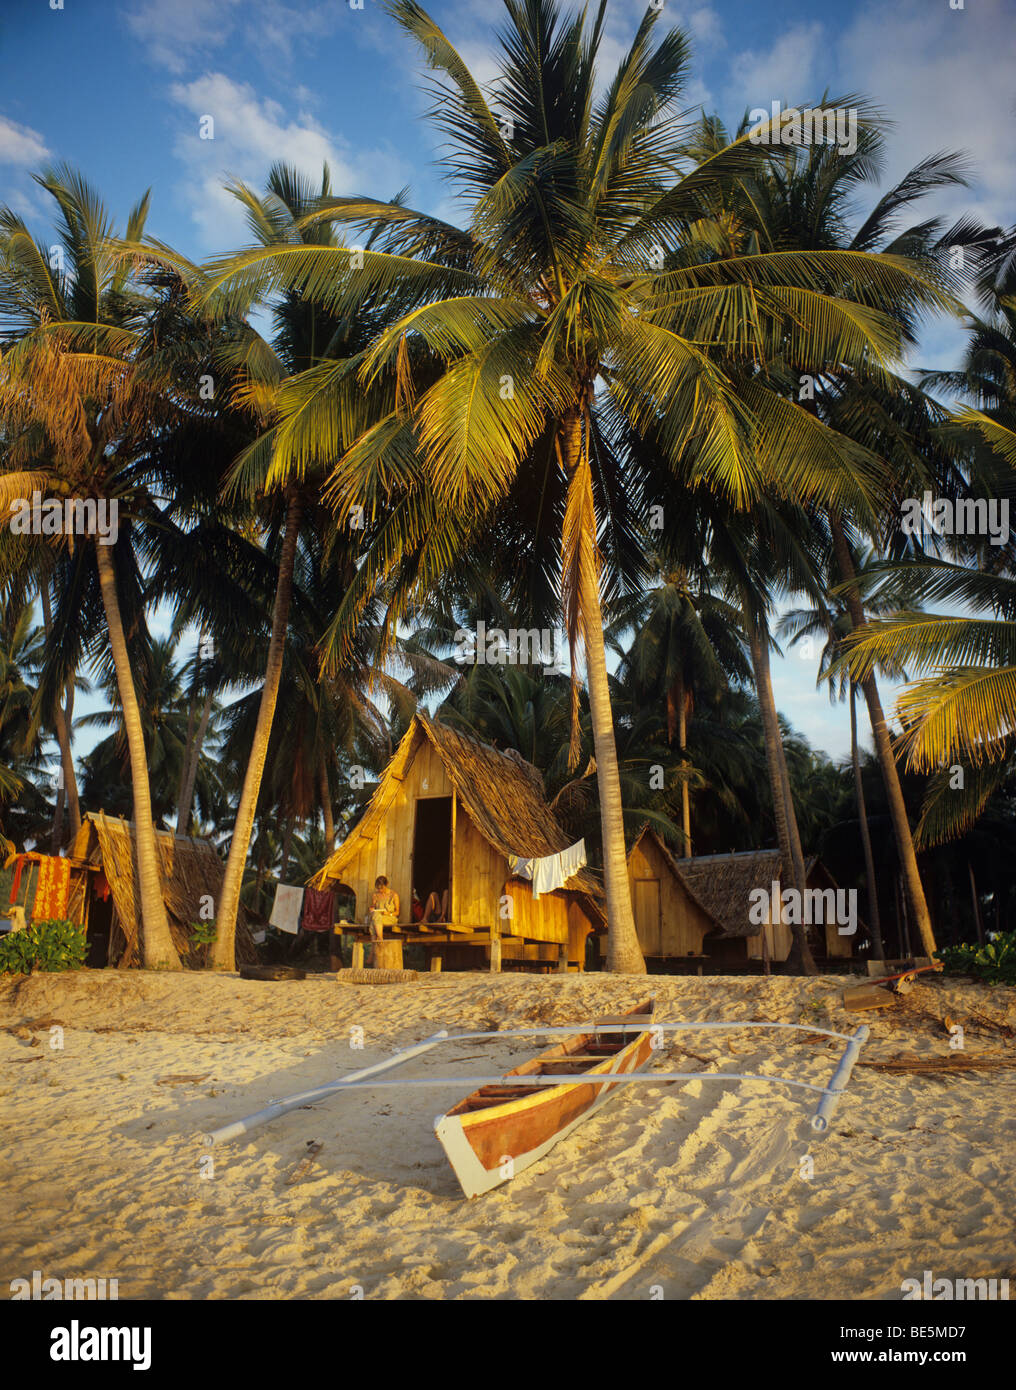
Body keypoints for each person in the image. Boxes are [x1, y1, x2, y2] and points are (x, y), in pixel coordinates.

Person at [365, 876, 399, 963]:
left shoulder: (393, 895)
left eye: (382, 888)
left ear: (386, 884)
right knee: (376, 917)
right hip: (378, 920)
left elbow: (397, 912)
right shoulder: (375, 895)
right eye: (378, 888)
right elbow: (373, 908)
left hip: (390, 918)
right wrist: (372, 908)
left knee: (374, 922)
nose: (380, 890)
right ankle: (380, 939)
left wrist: (388, 913)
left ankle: (373, 952)